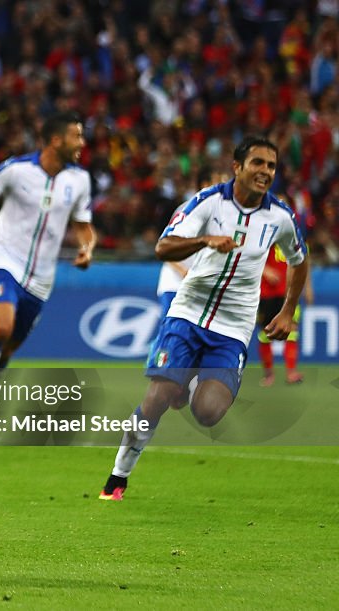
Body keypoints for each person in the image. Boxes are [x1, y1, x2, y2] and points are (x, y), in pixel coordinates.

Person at [100, 136, 308, 501]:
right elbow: (163, 247)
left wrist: (288, 310)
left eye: (271, 166)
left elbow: (299, 260)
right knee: (159, 396)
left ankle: (192, 377)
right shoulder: (208, 203)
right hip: (189, 310)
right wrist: (205, 240)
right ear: (238, 167)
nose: (265, 172)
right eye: (257, 163)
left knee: (209, 413)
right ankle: (119, 475)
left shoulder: (280, 216)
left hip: (234, 326)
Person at [0, 112, 96, 444]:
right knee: (0, 328)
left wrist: (87, 248)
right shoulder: (16, 170)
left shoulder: (80, 180)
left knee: (8, 349)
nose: (82, 144)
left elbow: (84, 224)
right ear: (56, 140)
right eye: (77, 136)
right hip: (4, 260)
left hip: (42, 278)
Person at [257, 243, 314, 386]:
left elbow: (304, 264)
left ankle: (291, 372)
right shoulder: (268, 235)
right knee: (266, 334)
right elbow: (249, 258)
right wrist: (266, 270)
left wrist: (307, 288)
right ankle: (269, 373)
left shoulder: (299, 239)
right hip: (267, 294)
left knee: (292, 332)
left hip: (290, 295)